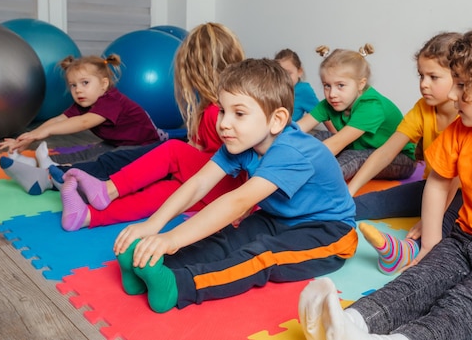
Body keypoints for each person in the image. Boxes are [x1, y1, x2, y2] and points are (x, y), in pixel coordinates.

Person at [298, 19, 472, 340]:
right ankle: (352, 322)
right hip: (465, 241)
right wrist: (430, 246)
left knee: (465, 304)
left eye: (463, 86)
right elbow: (438, 183)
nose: (454, 96)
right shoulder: (463, 131)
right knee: (415, 283)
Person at [112, 58, 358, 313]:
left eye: (239, 113)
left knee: (261, 256)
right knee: (229, 238)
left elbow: (237, 201)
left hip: (329, 232)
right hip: (277, 217)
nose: (224, 123)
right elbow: (198, 183)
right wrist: (154, 227)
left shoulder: (292, 151)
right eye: (222, 111)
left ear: (276, 120)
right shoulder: (242, 141)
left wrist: (171, 238)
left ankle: (180, 285)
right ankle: (153, 265)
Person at [56, 22, 247, 231]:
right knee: (166, 191)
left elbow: (249, 159)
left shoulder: (224, 111)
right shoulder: (209, 109)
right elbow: (201, 151)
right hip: (212, 187)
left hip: (229, 188)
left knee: (173, 150)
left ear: (192, 70)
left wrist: (245, 206)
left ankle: (108, 190)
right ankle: (87, 216)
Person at [348, 32, 463, 274]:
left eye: (433, 77)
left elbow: (456, 178)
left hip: (463, 195)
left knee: (444, 227)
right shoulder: (423, 109)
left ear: (459, 78)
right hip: (431, 187)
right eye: (421, 75)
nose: (424, 84)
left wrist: (430, 221)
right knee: (371, 202)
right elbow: (386, 153)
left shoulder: (467, 116)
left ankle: (405, 252)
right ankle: (326, 213)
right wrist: (350, 190)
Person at [0, 54, 165, 195]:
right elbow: (59, 119)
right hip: (116, 143)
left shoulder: (112, 101)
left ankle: (52, 175)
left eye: (85, 83)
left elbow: (84, 122)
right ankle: (36, 165)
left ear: (104, 84)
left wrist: (44, 133)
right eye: (73, 85)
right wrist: (31, 136)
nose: (78, 90)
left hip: (143, 148)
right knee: (86, 153)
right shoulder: (85, 103)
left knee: (104, 161)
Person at [297, 45, 416, 181]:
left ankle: (313, 181)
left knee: (354, 157)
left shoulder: (371, 106)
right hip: (360, 147)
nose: (332, 94)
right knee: (319, 136)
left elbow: (337, 144)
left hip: (399, 159)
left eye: (340, 85)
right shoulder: (331, 102)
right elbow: (297, 129)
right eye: (327, 85)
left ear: (360, 84)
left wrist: (299, 167)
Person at [274, 48, 320, 122]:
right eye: (280, 74)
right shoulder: (273, 88)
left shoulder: (303, 90)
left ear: (299, 72)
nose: (285, 78)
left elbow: (321, 113)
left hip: (288, 131)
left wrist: (337, 133)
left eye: (289, 73)